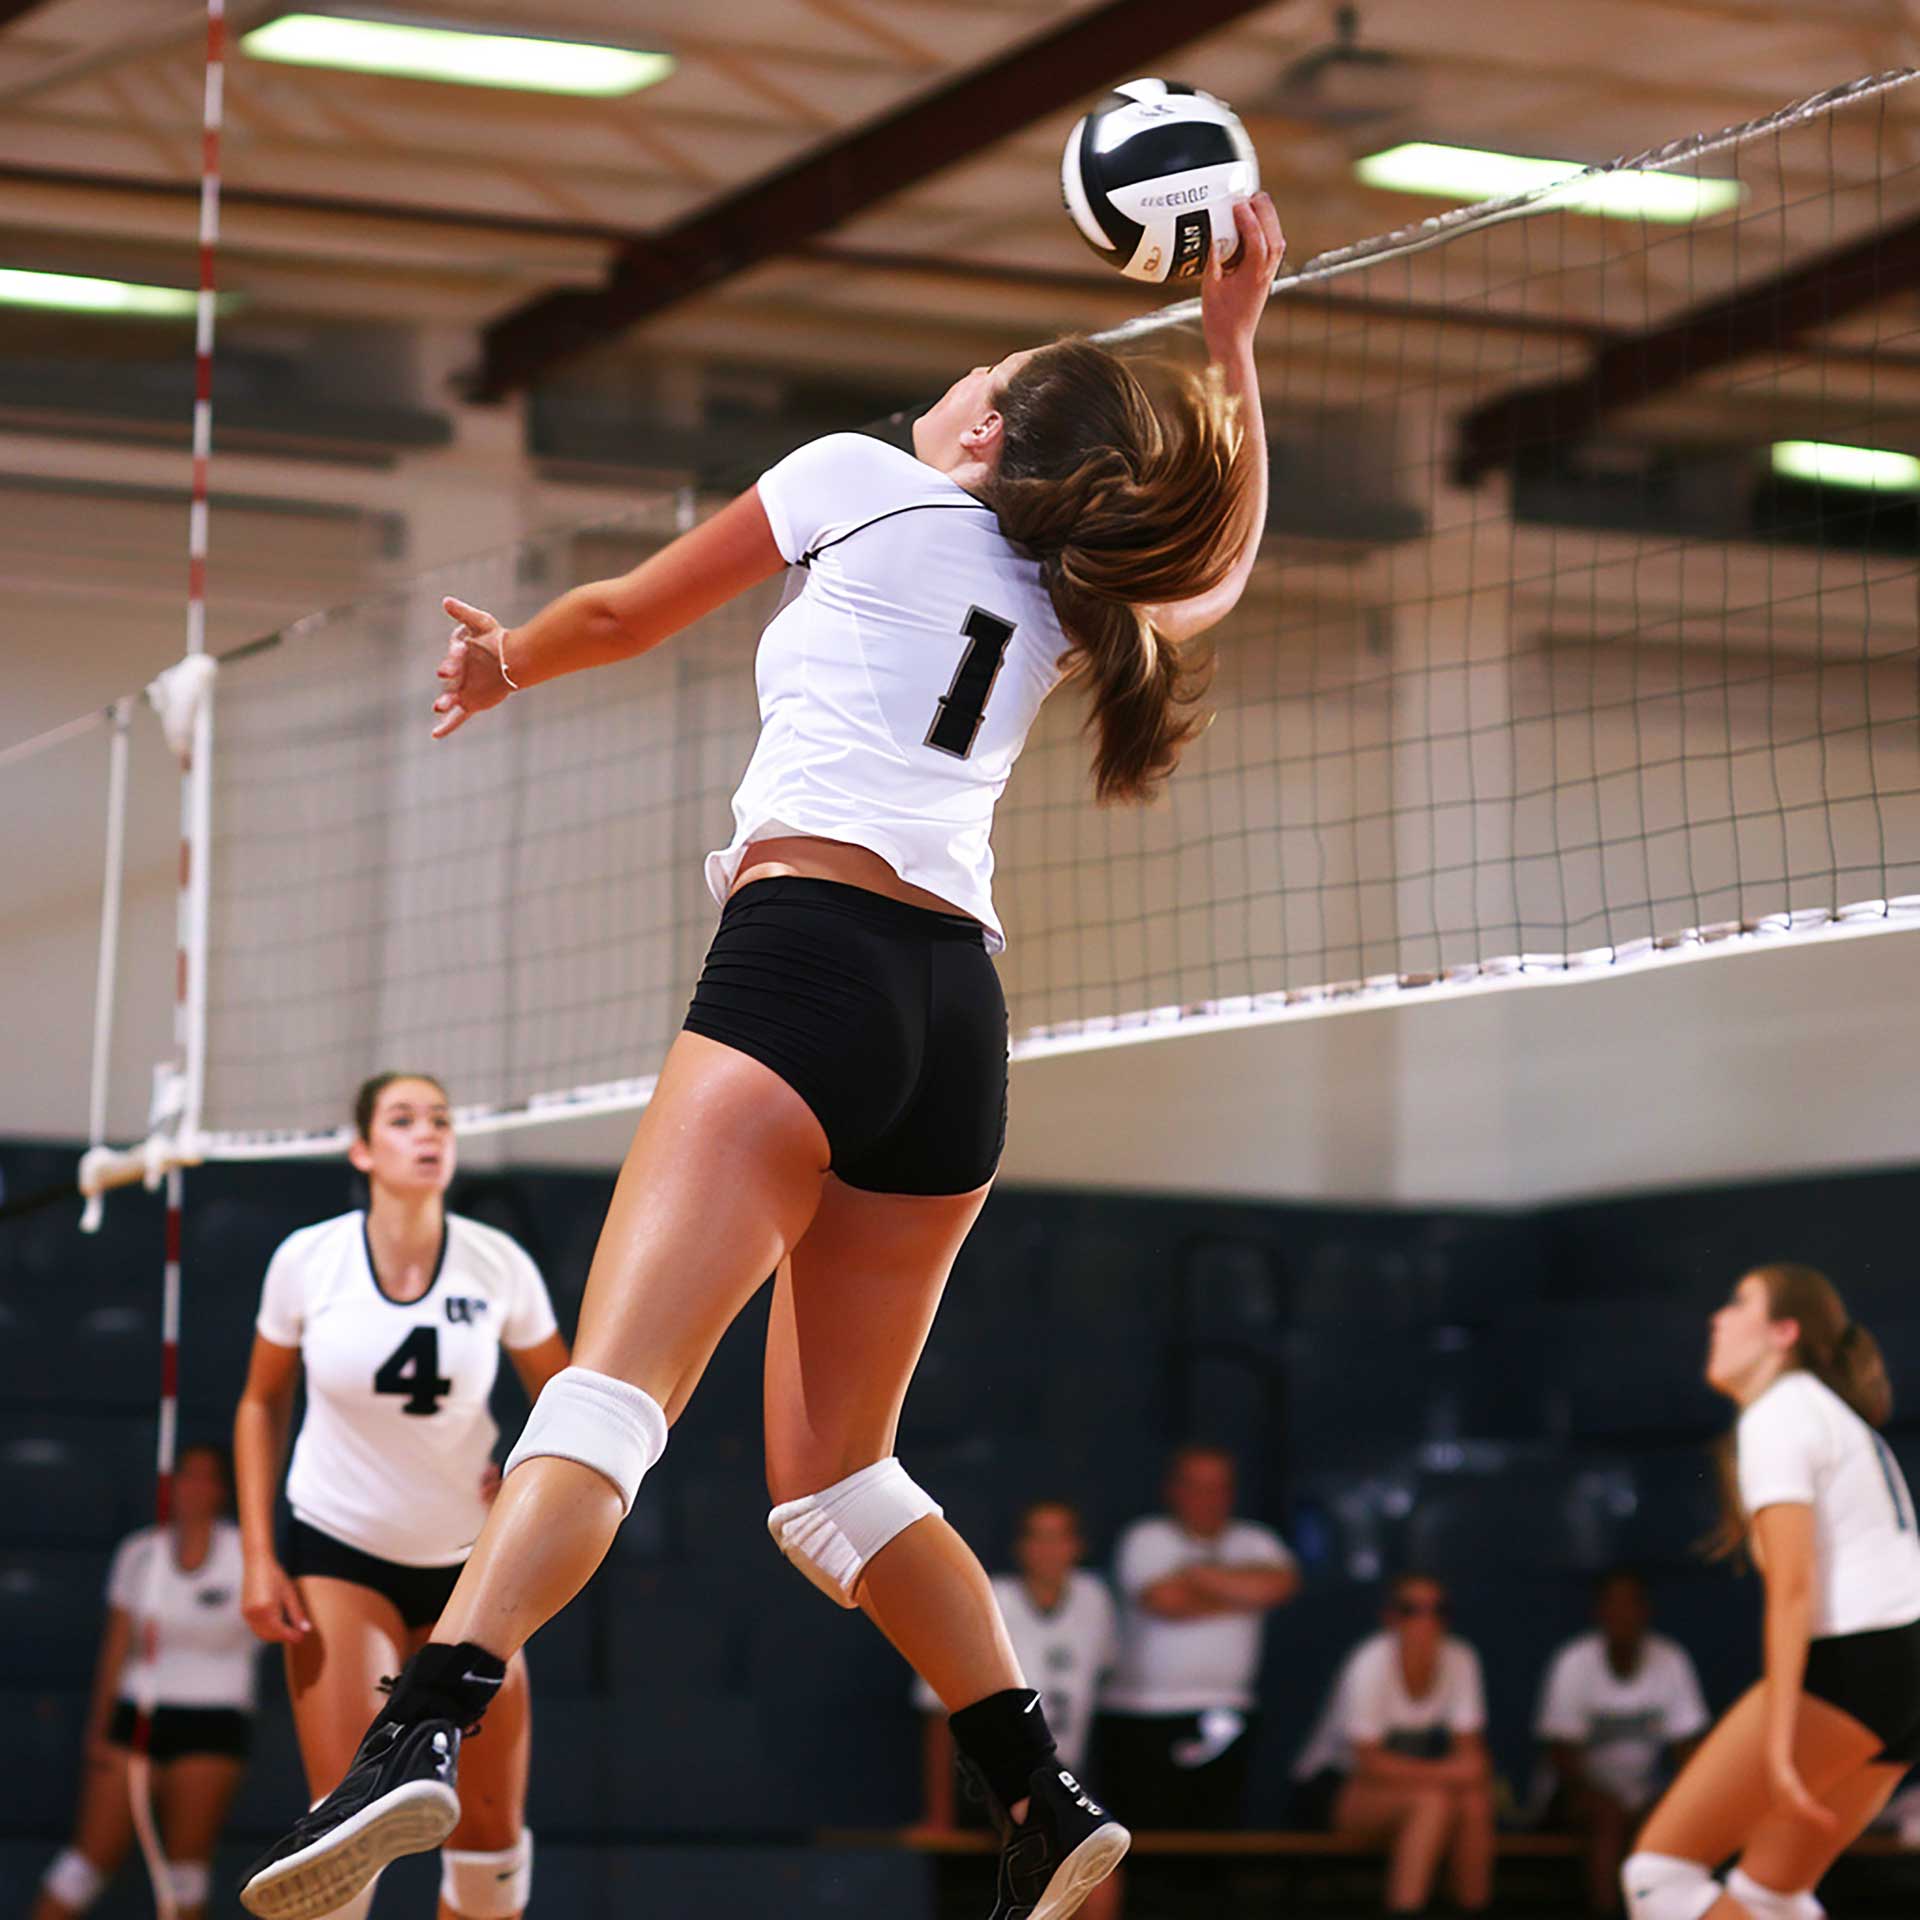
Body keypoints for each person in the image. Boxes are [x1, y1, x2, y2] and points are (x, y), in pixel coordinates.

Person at [238, 191, 1287, 1920]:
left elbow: (628, 614)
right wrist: (1236, 350)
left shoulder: (863, 477)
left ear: (989, 427)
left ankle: (415, 1732)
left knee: (609, 1398)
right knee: (839, 1483)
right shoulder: (1068, 585)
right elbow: (1222, 568)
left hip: (805, 964)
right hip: (956, 1027)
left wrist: (507, 660)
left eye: (992, 368)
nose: (963, 373)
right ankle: (1034, 1780)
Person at [233, 1072, 569, 1920]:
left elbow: (568, 1397)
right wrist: (258, 1555)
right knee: (348, 1826)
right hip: (339, 1554)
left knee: (490, 1840)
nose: (429, 1134)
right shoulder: (309, 1259)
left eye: (442, 1120)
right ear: (362, 1149)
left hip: (471, 1568)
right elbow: (259, 1399)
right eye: (404, 1119)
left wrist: (531, 1463)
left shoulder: (499, 1265)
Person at [1622, 1264, 1920, 1920]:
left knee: (1659, 1875)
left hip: (1856, 1662)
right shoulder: (1824, 1412)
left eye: (1738, 1302)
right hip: (1902, 1672)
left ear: (1784, 1332)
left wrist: (1781, 1743)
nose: (1717, 1318)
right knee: (1771, 1894)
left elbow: (1792, 1587)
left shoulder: (1781, 1413)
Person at [33, 1444, 257, 1920]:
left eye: (206, 1478)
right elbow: (115, 1649)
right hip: (137, 1714)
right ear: (169, 1485)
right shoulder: (140, 1553)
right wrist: (98, 1732)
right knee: (84, 1863)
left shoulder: (247, 1555)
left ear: (222, 1490)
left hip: (213, 1723)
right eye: (185, 1476)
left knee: (184, 1872)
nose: (194, 1488)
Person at [915, 1500, 1123, 1919]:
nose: (1048, 1549)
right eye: (1037, 1536)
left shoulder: (1094, 1601)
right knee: (1068, 1878)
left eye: (1059, 1536)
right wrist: (939, 1813)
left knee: (1096, 1872)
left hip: (1063, 1776)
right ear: (1021, 1547)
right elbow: (937, 1711)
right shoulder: (992, 1599)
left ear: (1076, 1546)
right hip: (997, 1781)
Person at [1098, 1445, 1300, 1830]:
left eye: (1217, 1487)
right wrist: (1240, 1593)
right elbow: (1163, 1600)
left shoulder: (1256, 1540)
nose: (1206, 1498)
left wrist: (1194, 1574)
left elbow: (1280, 1586)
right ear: (1173, 1490)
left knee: (1215, 1836)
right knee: (1141, 1838)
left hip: (1225, 1713)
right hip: (1142, 1715)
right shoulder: (1146, 1537)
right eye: (1195, 1486)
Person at [1292, 1571, 1495, 1915]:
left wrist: (1458, 1773)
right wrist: (1452, 1773)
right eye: (1412, 1609)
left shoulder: (1461, 1658)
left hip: (1414, 1787)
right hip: (1331, 1788)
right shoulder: (1369, 1661)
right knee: (1432, 1802)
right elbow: (1368, 1762)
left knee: (1474, 1801)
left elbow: (1474, 1759)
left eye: (1438, 1609)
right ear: (1390, 1617)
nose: (1427, 1619)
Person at [1536, 1568, 1709, 1915]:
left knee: (1669, 1820)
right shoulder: (1575, 1661)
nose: (1622, 1613)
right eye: (1612, 1604)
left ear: (1646, 1611)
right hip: (1576, 1796)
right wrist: (1603, 1800)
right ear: (1598, 1612)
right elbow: (1561, 1755)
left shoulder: (1669, 1659)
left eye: (1631, 1604)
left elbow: (1688, 1750)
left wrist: (1679, 1804)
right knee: (1608, 1819)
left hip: (1642, 1792)